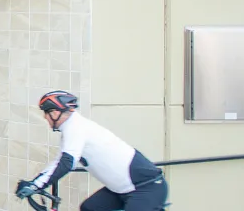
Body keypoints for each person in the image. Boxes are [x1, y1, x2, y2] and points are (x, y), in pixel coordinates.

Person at [14, 90, 168, 211]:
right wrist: (34, 184)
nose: (45, 118)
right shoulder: (71, 129)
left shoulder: (76, 128)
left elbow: (67, 164)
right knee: (89, 208)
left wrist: (37, 185)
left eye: (45, 114)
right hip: (121, 190)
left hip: (145, 188)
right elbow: (59, 161)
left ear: (54, 113)